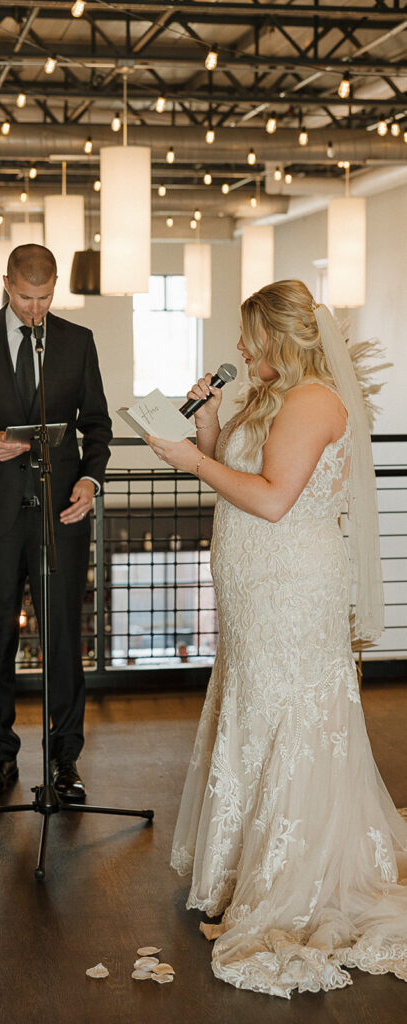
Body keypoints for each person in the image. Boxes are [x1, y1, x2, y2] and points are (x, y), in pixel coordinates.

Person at [147, 280, 407, 997]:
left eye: (249, 340)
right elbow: (239, 474)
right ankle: (244, 865)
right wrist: (210, 424)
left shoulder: (315, 401)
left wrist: (190, 460)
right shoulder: (271, 398)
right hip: (254, 584)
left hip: (293, 585)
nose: (238, 349)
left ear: (280, 340)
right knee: (254, 707)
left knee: (288, 714)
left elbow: (270, 498)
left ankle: (291, 876)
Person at [0, 244, 111, 801]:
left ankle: (65, 763)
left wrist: (90, 480)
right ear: (6, 284)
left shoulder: (77, 342)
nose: (36, 309)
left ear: (55, 286)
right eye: (25, 297)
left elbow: (98, 426)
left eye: (45, 297)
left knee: (62, 640)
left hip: (62, 513)